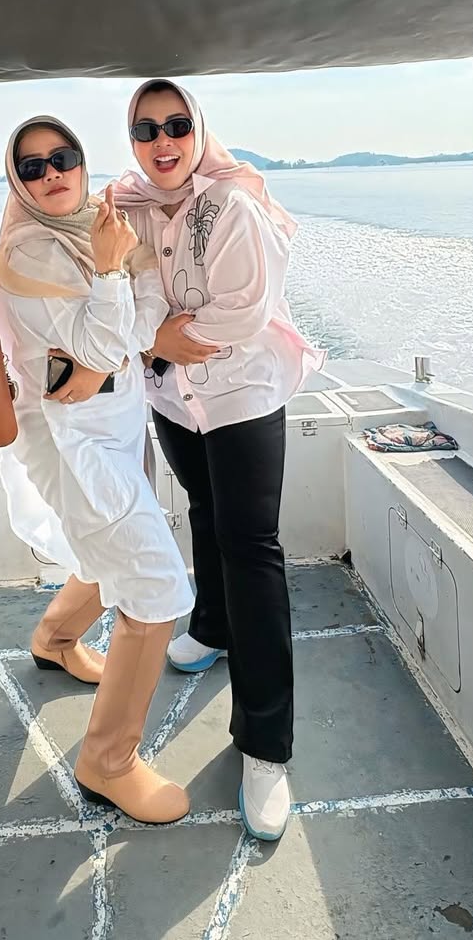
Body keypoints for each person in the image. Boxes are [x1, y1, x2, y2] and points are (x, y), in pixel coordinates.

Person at [114, 80, 321, 843]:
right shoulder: (125, 209)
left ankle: (266, 749)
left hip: (241, 396)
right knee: (202, 511)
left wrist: (157, 334)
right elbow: (112, 296)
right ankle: (211, 624)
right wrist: (150, 337)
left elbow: (243, 311)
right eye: (146, 129)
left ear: (198, 131)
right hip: (174, 400)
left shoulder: (232, 205)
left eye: (176, 125)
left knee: (251, 549)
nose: (162, 142)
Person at [0, 116, 194, 824]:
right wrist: (111, 272)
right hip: (74, 442)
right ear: (18, 181)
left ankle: (53, 640)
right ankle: (107, 760)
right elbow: (108, 341)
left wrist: (116, 317)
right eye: (33, 166)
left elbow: (137, 319)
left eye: (63, 158)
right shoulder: (30, 251)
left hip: (112, 421)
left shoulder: (92, 228)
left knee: (102, 549)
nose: (52, 173)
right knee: (156, 589)